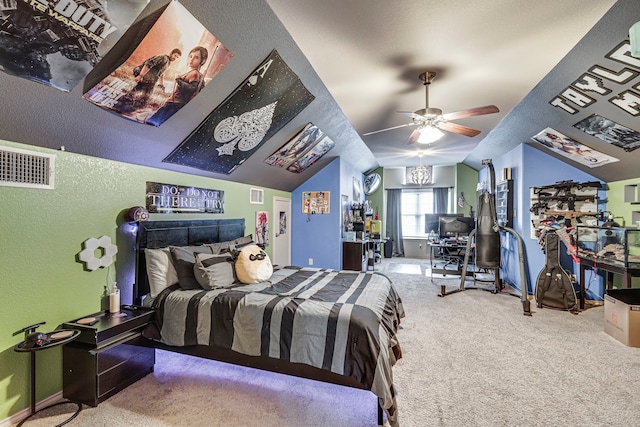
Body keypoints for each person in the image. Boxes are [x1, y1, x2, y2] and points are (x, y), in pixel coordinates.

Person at [147, 46, 208, 126]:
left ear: (202, 61)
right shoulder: (195, 74)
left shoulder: (195, 74)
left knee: (152, 122)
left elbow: (191, 89)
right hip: (175, 103)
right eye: (190, 56)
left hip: (175, 104)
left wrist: (178, 80)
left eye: (196, 57)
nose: (191, 59)